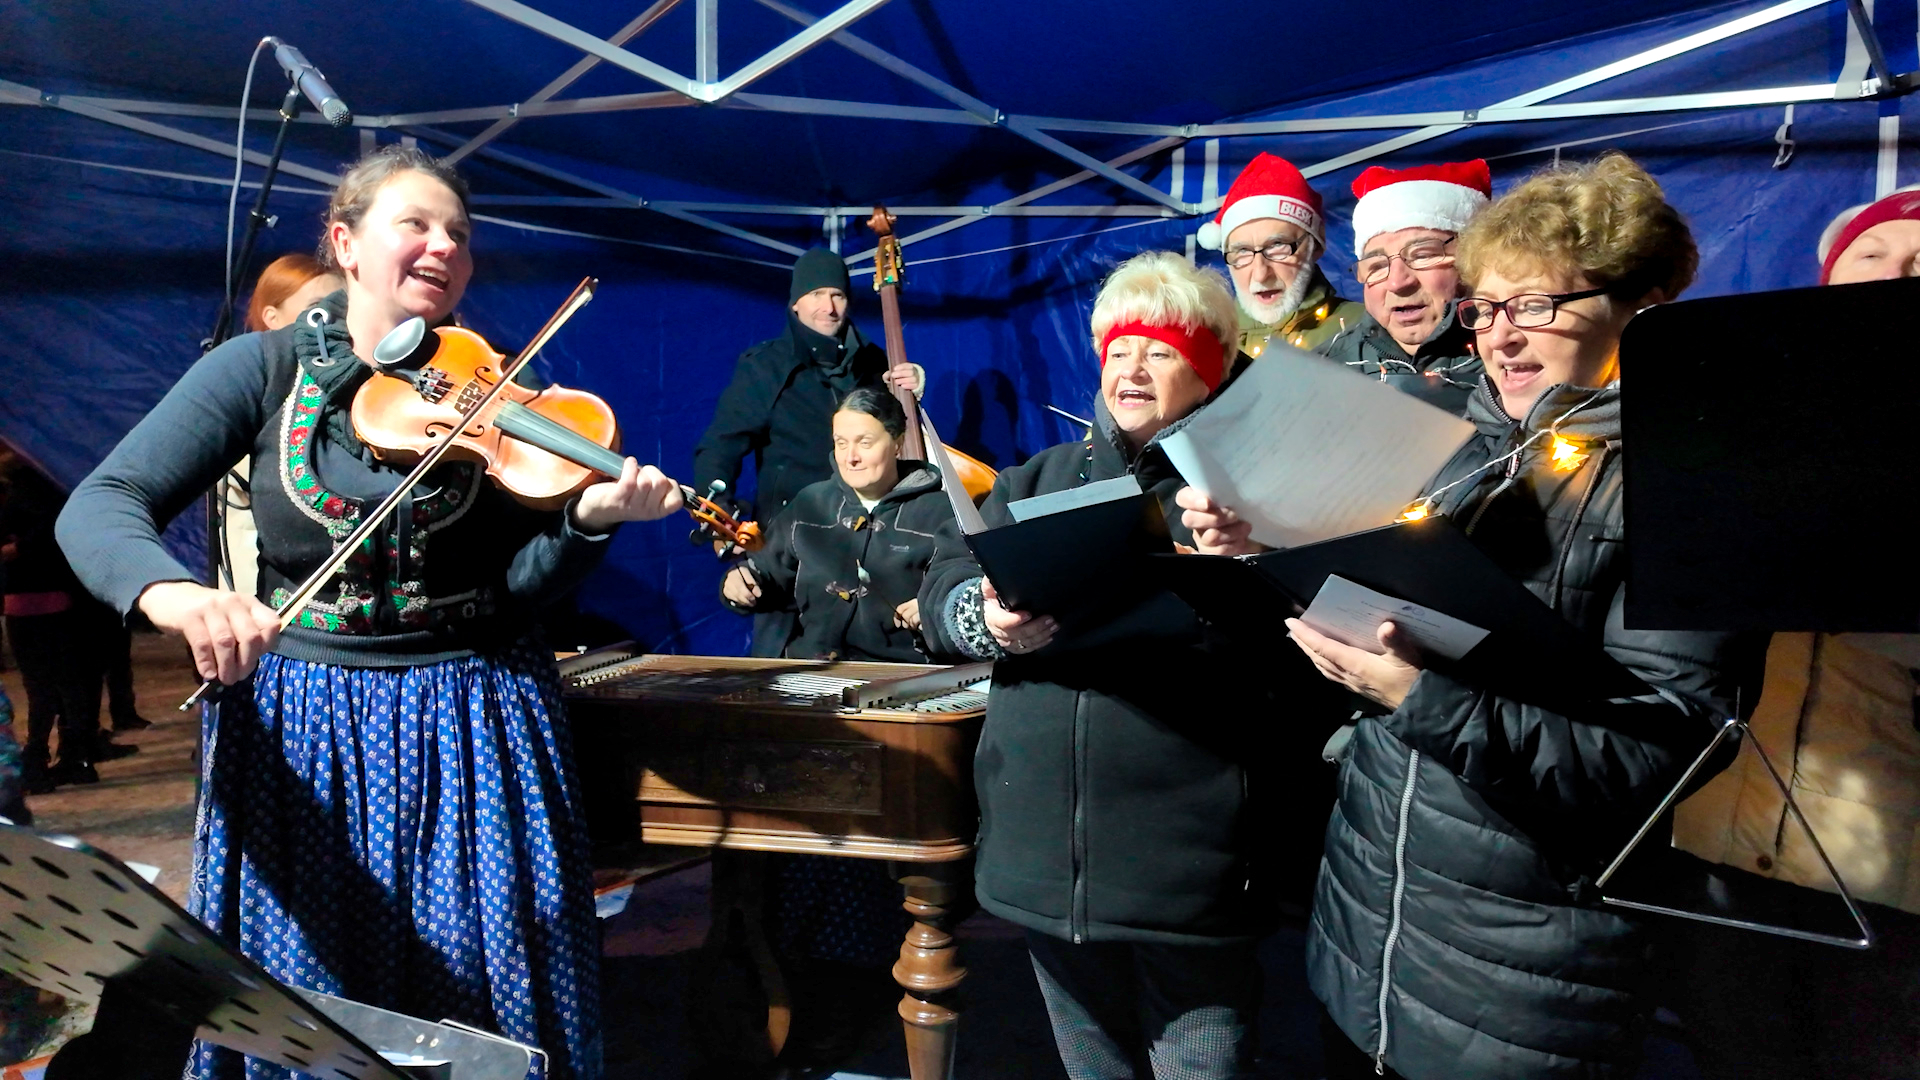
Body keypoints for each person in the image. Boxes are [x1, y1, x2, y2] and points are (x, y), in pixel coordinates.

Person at [56, 145, 683, 1080]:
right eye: (415, 224)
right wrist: (174, 594)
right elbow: (106, 502)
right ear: (346, 244)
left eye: (458, 233)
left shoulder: (494, 390)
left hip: (474, 718)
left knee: (483, 980)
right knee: (313, 994)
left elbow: (513, 592)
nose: (444, 246)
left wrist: (586, 525)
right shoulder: (263, 369)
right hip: (305, 727)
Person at [1186, 153, 1762, 1079]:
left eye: (1537, 305)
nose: (1503, 338)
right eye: (1487, 308)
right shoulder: (1456, 451)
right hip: (1366, 933)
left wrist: (1420, 697)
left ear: (1644, 307)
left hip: (1523, 979)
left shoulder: (1691, 490)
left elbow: (1665, 751)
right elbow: (1362, 610)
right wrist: (1261, 551)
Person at [918, 250, 1342, 1079]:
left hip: (1190, 868)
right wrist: (985, 617)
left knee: (1202, 1068)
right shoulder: (1033, 479)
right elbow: (941, 584)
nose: (1132, 368)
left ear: (1209, 372)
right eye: (1118, 349)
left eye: (1159, 350)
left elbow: (1313, 656)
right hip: (1041, 856)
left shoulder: (1259, 494)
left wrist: (1248, 566)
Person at [1661, 184, 1920, 1080]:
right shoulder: (1742, 414)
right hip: (1723, 837)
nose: (1893, 276)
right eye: (1872, 256)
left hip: (1888, 869)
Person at [692, 247, 919, 657]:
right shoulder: (765, 366)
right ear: (796, 302)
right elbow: (719, 446)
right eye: (816, 294)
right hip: (790, 553)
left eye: (837, 295)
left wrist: (912, 398)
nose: (828, 307)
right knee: (785, 673)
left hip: (869, 553)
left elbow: (899, 448)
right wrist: (722, 513)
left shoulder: (874, 364)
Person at [721, 386, 955, 662]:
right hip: (812, 668)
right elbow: (765, 573)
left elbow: (966, 593)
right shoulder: (810, 503)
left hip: (902, 672)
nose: (850, 457)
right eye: (841, 443)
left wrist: (937, 609)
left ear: (897, 442)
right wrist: (740, 582)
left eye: (864, 443)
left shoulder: (940, 513)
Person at [0, 446, 136, 792]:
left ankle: (39, 760)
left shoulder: (21, 494)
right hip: (60, 598)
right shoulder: (62, 489)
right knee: (69, 684)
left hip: (26, 600)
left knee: (42, 687)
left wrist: (16, 550)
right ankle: (75, 755)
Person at [1321, 160, 1491, 414]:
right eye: (1377, 266)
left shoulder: (1515, 355)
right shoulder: (1323, 369)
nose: (1397, 283)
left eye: (1423, 255)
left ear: (1474, 259)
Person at [1196, 152, 1365, 361]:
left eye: (1277, 246)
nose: (1260, 274)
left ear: (1315, 245)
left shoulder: (1362, 332)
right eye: (1243, 251)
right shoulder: (1208, 345)